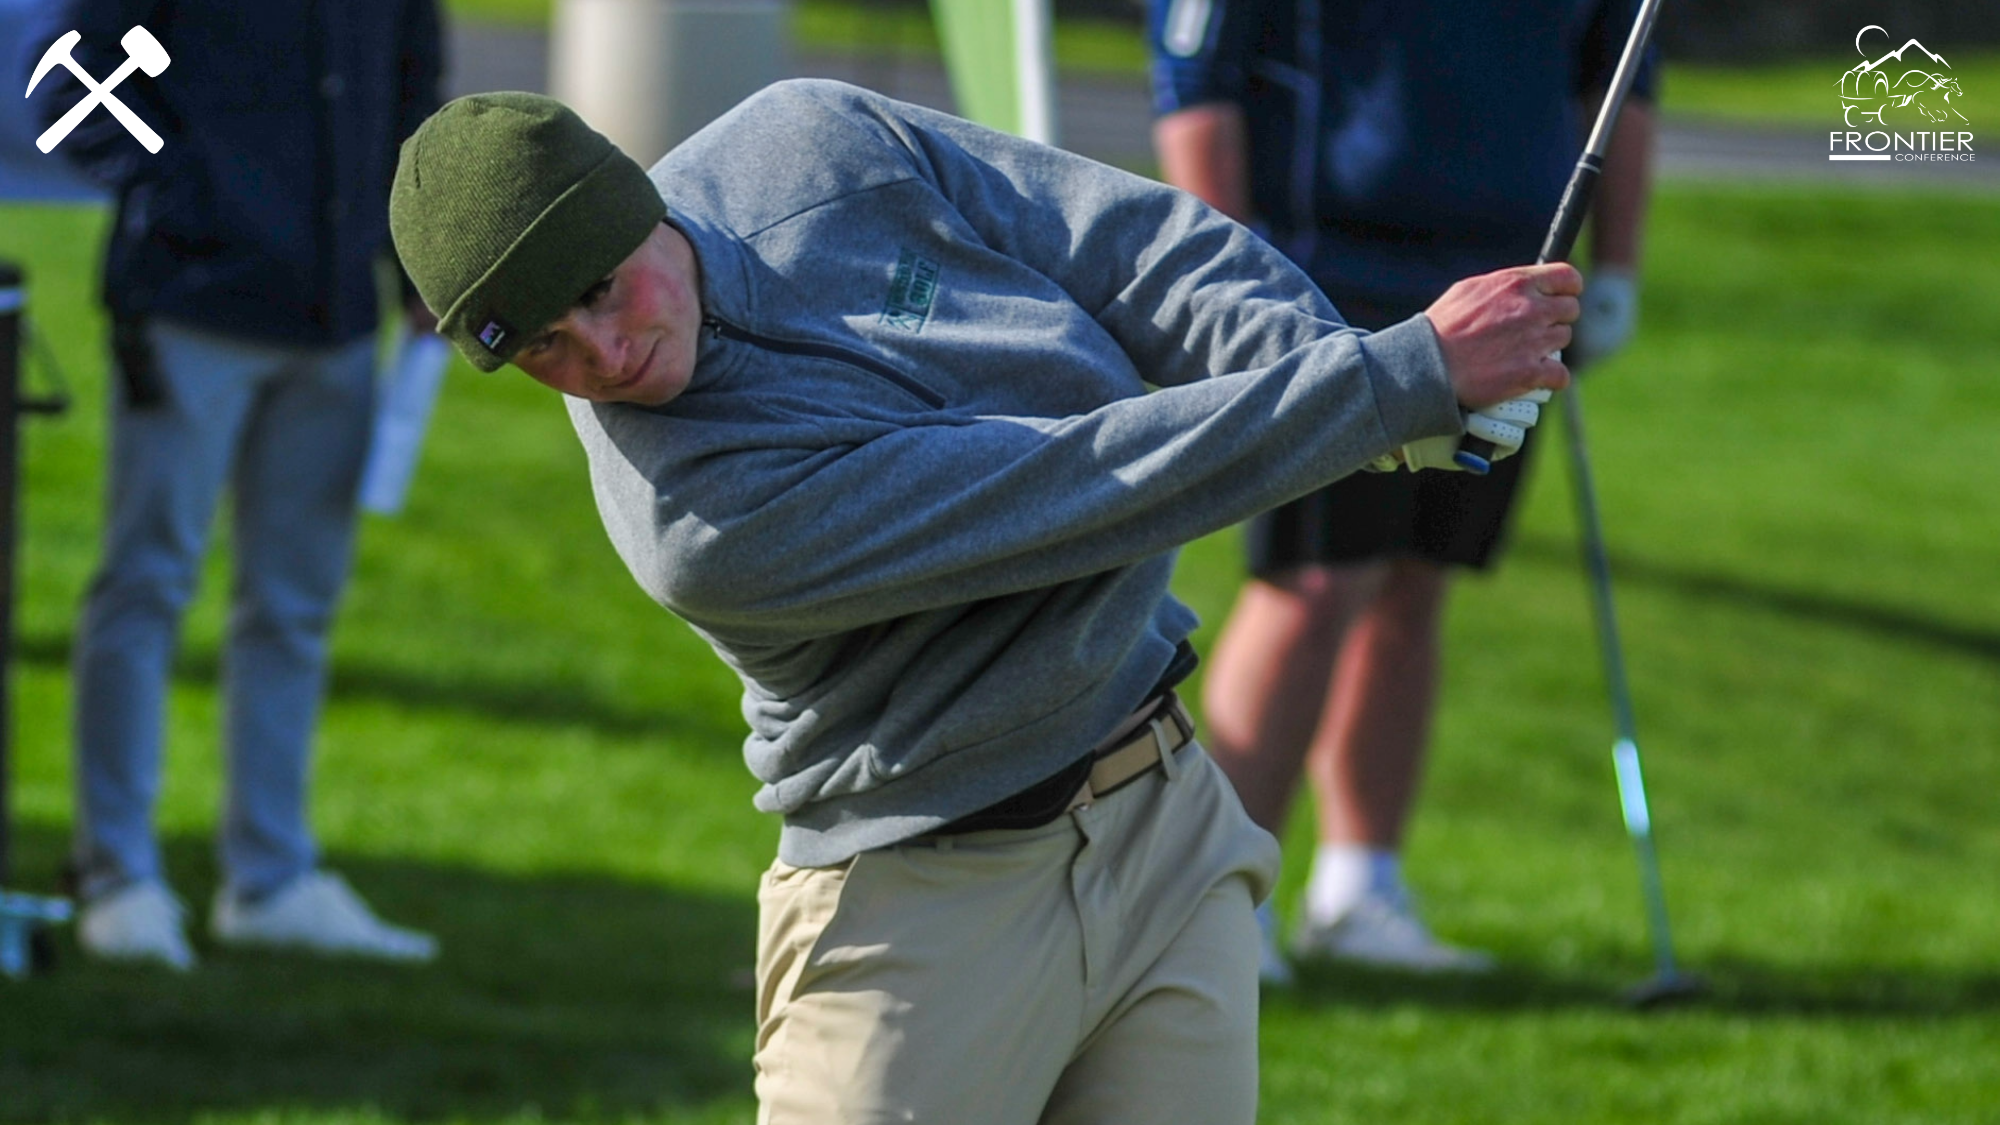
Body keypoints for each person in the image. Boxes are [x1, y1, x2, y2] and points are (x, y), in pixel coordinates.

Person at [389, 80, 1575, 1122]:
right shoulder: (697, 521)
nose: (601, 356)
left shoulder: (811, 141)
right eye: (544, 348)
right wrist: (1393, 382)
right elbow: (1069, 491)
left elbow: (1132, 249)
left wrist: (1324, 370)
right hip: (920, 909)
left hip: (1161, 820)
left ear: (636, 204)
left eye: (602, 291)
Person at [1149, 0, 1657, 979]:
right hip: (1328, 287)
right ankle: (1216, 898)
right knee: (1313, 580)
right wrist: (1227, 285)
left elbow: (1621, 84)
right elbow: (1195, 82)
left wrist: (1619, 267)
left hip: (1508, 282)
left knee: (1417, 582)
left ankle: (1358, 889)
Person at [33, 0, 445, 969]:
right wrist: (188, 199)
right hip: (189, 308)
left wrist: (420, 256)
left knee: (294, 607)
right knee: (147, 583)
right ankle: (116, 876)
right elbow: (66, 82)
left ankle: (270, 876)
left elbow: (408, 95)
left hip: (334, 319)